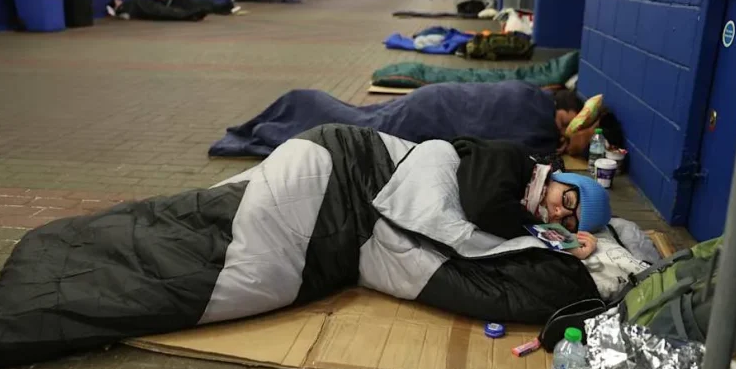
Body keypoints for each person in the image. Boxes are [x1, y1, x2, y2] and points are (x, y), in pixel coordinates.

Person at [209, 80, 622, 159]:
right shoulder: (537, 119)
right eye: (591, 138)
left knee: (360, 117)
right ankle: (276, 126)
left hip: (430, 102)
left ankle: (293, 110)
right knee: (352, 132)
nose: (587, 147)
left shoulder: (537, 100)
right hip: (427, 117)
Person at [453, 135, 612, 261]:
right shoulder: (512, 158)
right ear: (563, 180)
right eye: (567, 201)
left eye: (566, 223)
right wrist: (559, 240)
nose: (559, 213)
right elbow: (485, 208)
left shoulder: (523, 203)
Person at [106, 0, 209, 22]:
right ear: (116, 4)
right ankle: (196, 13)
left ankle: (194, 15)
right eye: (117, 0)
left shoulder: (125, 5)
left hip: (152, 7)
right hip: (151, 10)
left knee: (173, 13)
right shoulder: (123, 8)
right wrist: (115, 13)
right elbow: (125, 16)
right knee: (173, 13)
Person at [156, 0, 241, 15]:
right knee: (207, 7)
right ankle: (227, 8)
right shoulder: (164, 3)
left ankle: (228, 6)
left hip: (187, 1)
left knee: (208, 3)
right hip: (187, 5)